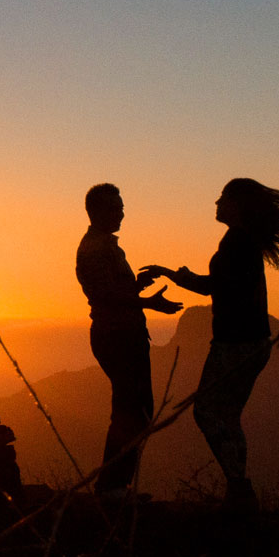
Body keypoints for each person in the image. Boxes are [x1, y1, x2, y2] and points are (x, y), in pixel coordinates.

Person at [140, 178, 279, 511]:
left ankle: (238, 486)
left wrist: (177, 276)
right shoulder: (242, 241)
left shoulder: (237, 242)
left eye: (222, 199)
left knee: (206, 412)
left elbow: (214, 287)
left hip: (236, 342)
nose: (216, 204)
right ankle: (239, 490)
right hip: (253, 341)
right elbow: (219, 285)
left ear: (236, 205)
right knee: (227, 415)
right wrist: (176, 274)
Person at [76, 183, 181, 499]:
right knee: (130, 408)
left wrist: (137, 286)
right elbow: (104, 295)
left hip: (126, 334)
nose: (122, 212)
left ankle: (116, 484)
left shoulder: (108, 246)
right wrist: (149, 303)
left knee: (137, 407)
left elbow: (115, 292)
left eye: (121, 206)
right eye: (115, 207)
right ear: (97, 211)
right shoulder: (94, 248)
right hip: (116, 336)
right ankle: (111, 487)